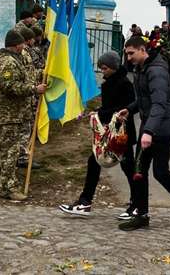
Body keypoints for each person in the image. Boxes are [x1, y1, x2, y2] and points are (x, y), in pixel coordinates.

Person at [117, 36, 170, 231]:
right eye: (126, 54)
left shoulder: (157, 71)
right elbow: (146, 98)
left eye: (131, 53)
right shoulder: (142, 68)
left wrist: (149, 131)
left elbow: (160, 104)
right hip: (151, 126)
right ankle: (142, 215)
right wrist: (130, 109)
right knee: (139, 171)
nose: (128, 58)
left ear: (143, 49)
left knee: (160, 172)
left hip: (163, 129)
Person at [59, 52, 138, 217]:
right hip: (108, 133)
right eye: (102, 68)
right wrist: (97, 112)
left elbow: (124, 107)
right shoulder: (109, 83)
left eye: (105, 68)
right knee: (94, 161)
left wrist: (100, 113)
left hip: (120, 134)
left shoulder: (124, 84)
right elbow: (108, 107)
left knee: (128, 167)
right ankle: (85, 202)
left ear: (114, 67)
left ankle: (137, 203)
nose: (103, 71)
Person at [0, 30, 47, 201]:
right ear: (16, 45)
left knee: (3, 151)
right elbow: (10, 86)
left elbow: (24, 76)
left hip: (10, 114)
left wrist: (42, 73)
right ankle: (8, 188)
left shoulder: (13, 60)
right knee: (9, 152)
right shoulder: (7, 62)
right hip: (7, 114)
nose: (24, 47)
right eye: (22, 44)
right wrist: (34, 89)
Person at [16, 27, 43, 170]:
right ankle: (22, 157)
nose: (34, 40)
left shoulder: (24, 52)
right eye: (32, 38)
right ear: (28, 39)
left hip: (28, 92)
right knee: (24, 128)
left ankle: (22, 155)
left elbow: (30, 72)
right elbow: (27, 75)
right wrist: (33, 87)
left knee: (25, 126)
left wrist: (42, 73)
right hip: (26, 94)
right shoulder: (24, 53)